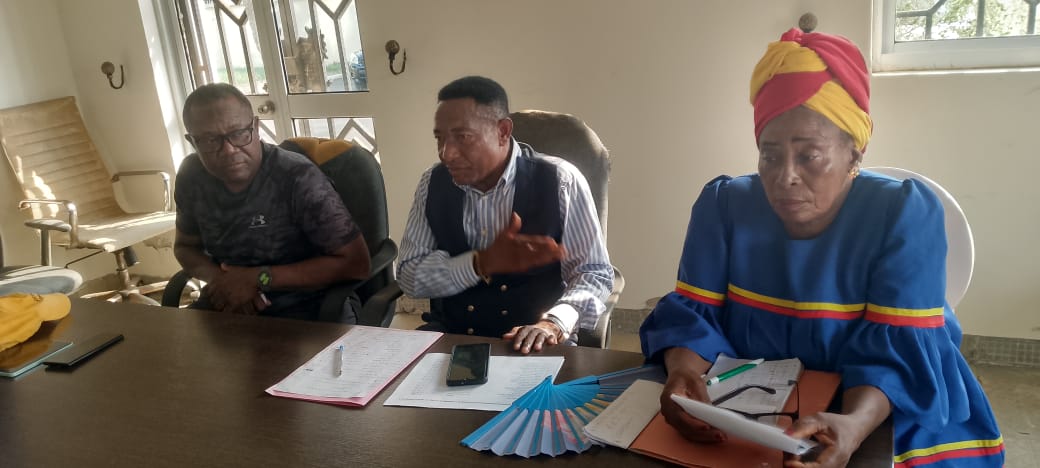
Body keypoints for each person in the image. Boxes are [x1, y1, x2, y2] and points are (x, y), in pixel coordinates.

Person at [639, 29, 1004, 467]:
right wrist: (684, 372)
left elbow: (896, 354)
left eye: (809, 156)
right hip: (751, 409)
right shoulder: (724, 206)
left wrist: (853, 425)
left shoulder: (903, 215)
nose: (785, 177)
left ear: (855, 154)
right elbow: (693, 319)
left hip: (880, 410)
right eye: (770, 155)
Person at [397, 76, 613, 353]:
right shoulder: (433, 183)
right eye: (440, 138)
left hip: (537, 343)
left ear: (502, 131)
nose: (446, 153)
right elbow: (409, 276)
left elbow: (594, 273)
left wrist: (555, 323)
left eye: (463, 137)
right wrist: (480, 263)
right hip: (452, 337)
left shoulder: (561, 181)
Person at [174, 83, 370, 322]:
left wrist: (257, 279)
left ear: (256, 127)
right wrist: (223, 281)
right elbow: (185, 247)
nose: (228, 150)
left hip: (311, 309)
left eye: (238, 133)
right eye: (210, 140)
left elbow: (356, 264)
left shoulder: (297, 177)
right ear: (192, 142)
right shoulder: (192, 176)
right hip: (228, 304)